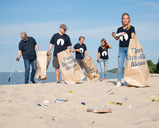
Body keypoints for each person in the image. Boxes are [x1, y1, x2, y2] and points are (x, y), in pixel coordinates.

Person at [112, 13, 135, 87]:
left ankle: (126, 81)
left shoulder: (131, 28)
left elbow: (133, 37)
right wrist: (114, 35)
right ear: (122, 19)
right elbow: (117, 38)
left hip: (129, 48)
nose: (125, 20)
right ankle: (119, 81)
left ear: (129, 19)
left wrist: (133, 47)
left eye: (126, 18)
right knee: (120, 65)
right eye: (124, 18)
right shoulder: (119, 29)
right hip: (121, 49)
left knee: (128, 66)